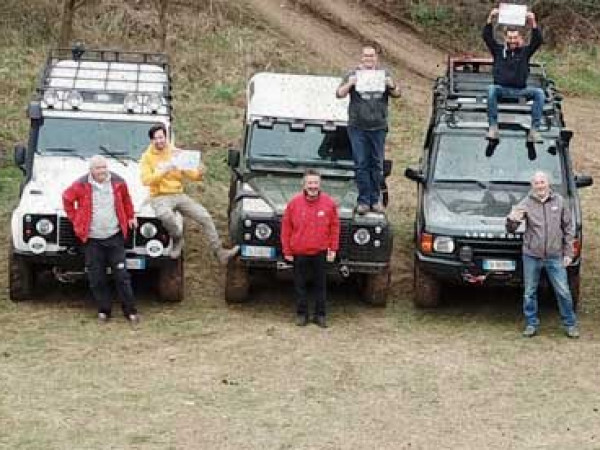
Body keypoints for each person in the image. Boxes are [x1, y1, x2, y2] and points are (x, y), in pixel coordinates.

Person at [140, 123, 238, 263]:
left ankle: (220, 252)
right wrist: (163, 171)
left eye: (162, 137)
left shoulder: (175, 152)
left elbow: (192, 175)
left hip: (178, 194)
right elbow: (146, 180)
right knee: (165, 215)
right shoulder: (147, 158)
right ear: (151, 140)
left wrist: (199, 170)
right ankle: (177, 238)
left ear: (166, 137)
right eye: (156, 138)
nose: (160, 141)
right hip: (159, 196)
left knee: (204, 216)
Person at [63, 155, 139, 323]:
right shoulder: (81, 184)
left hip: (114, 237)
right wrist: (76, 219)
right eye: (98, 168)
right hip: (92, 240)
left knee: (122, 276)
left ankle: (130, 311)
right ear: (91, 170)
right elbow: (67, 199)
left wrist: (131, 216)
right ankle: (104, 311)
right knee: (97, 278)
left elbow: (127, 200)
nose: (102, 171)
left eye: (104, 167)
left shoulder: (118, 182)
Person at [506, 171, 579, 338]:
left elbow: (568, 229)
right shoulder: (525, 203)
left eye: (542, 182)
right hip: (531, 255)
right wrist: (511, 219)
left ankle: (570, 324)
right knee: (529, 292)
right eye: (536, 183)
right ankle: (531, 324)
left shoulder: (559, 201)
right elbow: (511, 229)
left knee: (563, 291)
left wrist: (568, 253)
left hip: (555, 256)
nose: (540, 185)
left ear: (548, 184)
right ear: (532, 186)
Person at [336, 44, 401, 215]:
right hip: (358, 127)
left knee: (377, 164)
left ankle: (376, 199)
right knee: (361, 163)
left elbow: (397, 93)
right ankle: (364, 200)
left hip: (378, 127)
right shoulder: (352, 74)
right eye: (365, 56)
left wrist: (391, 85)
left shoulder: (384, 74)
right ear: (361, 58)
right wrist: (350, 83)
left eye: (371, 56)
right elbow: (339, 93)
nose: (368, 59)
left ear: (376, 58)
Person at [281, 169, 340, 328]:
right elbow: (286, 228)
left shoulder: (329, 203)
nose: (312, 186)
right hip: (299, 252)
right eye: (310, 183)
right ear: (304, 184)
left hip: (320, 252)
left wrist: (333, 249)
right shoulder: (294, 204)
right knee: (300, 286)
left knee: (320, 286)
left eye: (315, 183)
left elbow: (335, 227)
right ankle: (302, 314)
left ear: (320, 184)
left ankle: (320, 315)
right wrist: (287, 250)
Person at [483, 8, 544, 143]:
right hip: (501, 90)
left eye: (515, 37)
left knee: (539, 93)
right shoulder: (498, 50)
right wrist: (490, 18)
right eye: (510, 37)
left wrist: (532, 21)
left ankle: (534, 130)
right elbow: (487, 37)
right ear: (505, 38)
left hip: (520, 91)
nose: (512, 40)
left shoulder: (525, 52)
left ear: (520, 38)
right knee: (491, 89)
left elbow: (538, 40)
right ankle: (493, 127)